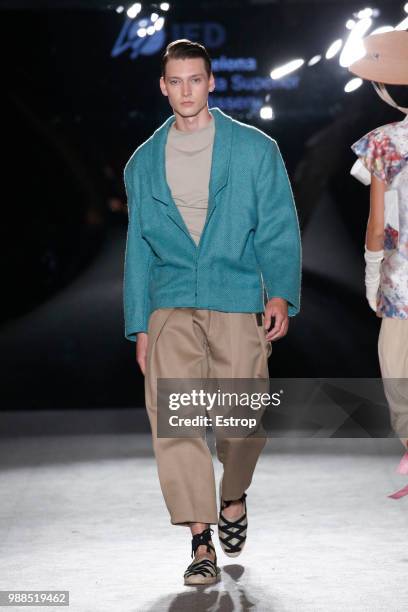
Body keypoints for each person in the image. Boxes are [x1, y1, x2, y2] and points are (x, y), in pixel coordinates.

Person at [123, 39, 302, 584]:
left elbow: (276, 224)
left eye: (194, 80)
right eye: (175, 81)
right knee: (176, 425)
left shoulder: (254, 150)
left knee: (241, 421)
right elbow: (137, 246)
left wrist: (279, 292)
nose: (185, 91)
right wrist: (139, 323)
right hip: (171, 302)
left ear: (211, 82)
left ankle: (233, 496)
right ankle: (201, 543)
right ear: (163, 85)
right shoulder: (143, 162)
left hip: (236, 292)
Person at [349, 31, 408, 499]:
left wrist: (372, 280)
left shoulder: (385, 144)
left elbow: (377, 227)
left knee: (398, 380)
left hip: (402, 288)